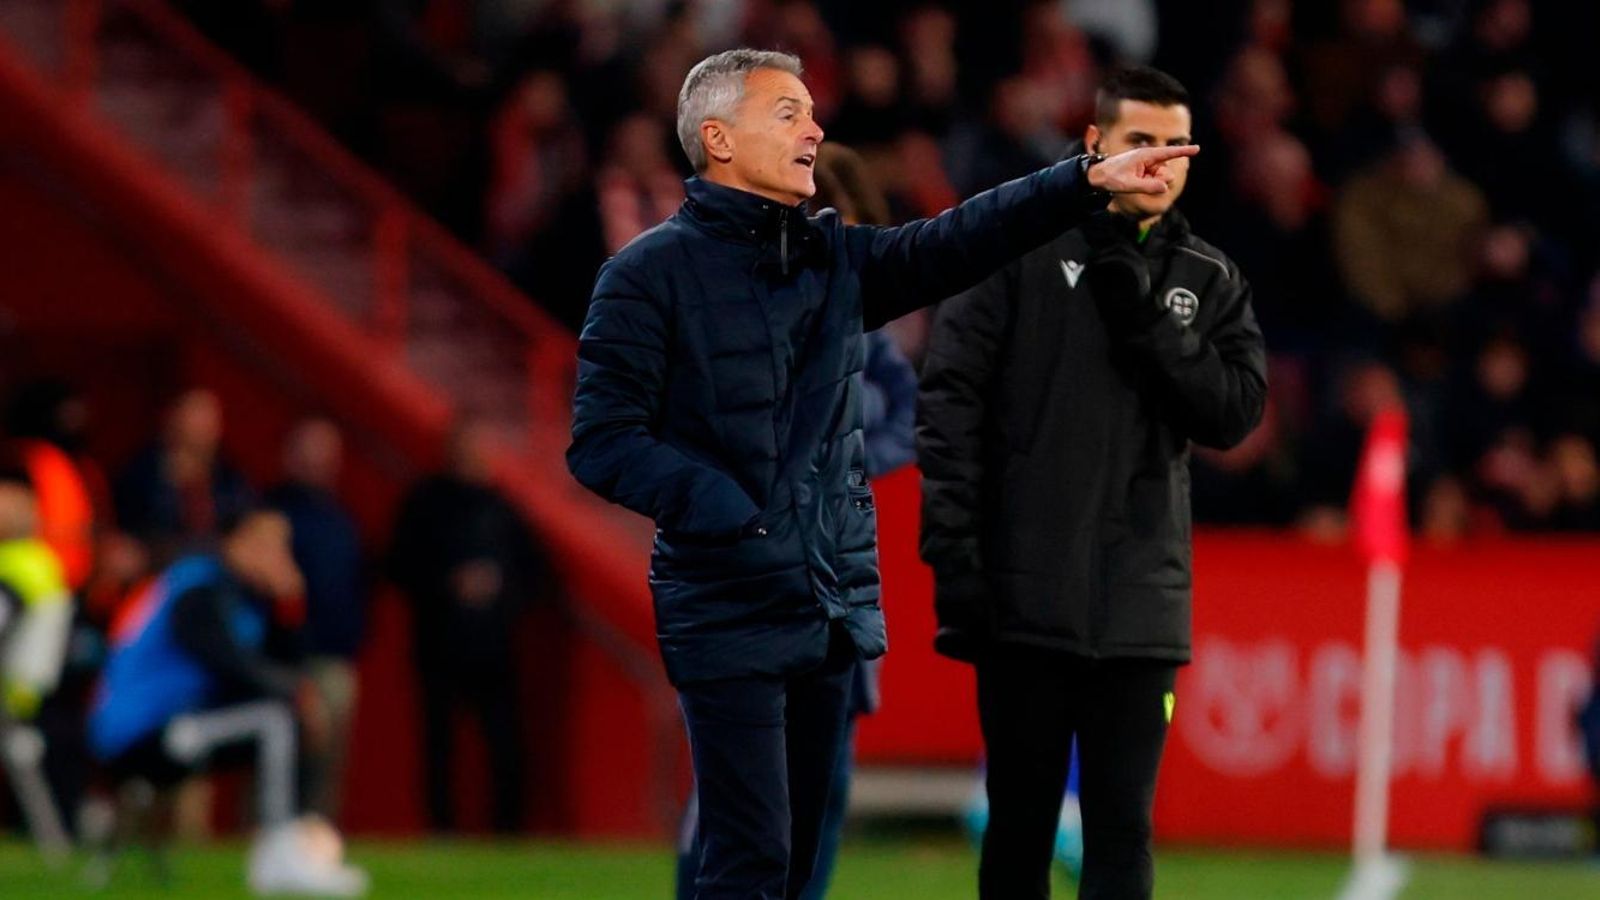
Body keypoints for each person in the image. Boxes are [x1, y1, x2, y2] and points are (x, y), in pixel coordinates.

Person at [566, 47, 1197, 900]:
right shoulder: (643, 278)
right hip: (726, 604)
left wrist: (1084, 179)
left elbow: (963, 237)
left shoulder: (836, 264)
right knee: (748, 859)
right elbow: (602, 441)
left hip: (828, 614)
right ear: (717, 138)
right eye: (788, 114)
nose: (816, 130)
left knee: (798, 863)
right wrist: (732, 514)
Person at [917, 67, 1266, 900]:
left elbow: (1233, 413)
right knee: (1020, 830)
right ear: (1094, 145)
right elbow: (949, 402)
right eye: (1140, 141)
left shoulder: (1208, 277)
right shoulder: (1015, 252)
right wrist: (955, 557)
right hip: (1021, 600)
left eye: (1175, 145)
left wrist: (1145, 317)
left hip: (1141, 608)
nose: (1159, 161)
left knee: (1121, 834)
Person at [86, 508, 366, 896]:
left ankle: (294, 845)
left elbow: (287, 664)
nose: (275, 555)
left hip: (181, 724)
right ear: (233, 543)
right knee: (276, 718)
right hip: (139, 733)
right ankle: (277, 859)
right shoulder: (197, 583)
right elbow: (226, 660)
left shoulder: (246, 596)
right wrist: (295, 694)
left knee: (285, 713)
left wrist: (290, 602)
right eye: (264, 543)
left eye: (282, 546)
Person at [386, 420, 544, 834]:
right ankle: (441, 831)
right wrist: (448, 583)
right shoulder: (424, 502)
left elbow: (535, 574)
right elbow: (399, 564)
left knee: (505, 746)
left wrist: (501, 590)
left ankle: (508, 833)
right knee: (439, 747)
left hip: (494, 648)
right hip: (439, 645)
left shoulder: (503, 508)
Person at [266, 418, 366, 821]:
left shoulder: (342, 518)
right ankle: (260, 846)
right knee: (274, 760)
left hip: (333, 659)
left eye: (326, 453)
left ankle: (317, 847)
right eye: (309, 451)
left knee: (325, 766)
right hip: (279, 661)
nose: (318, 461)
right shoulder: (272, 512)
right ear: (290, 456)